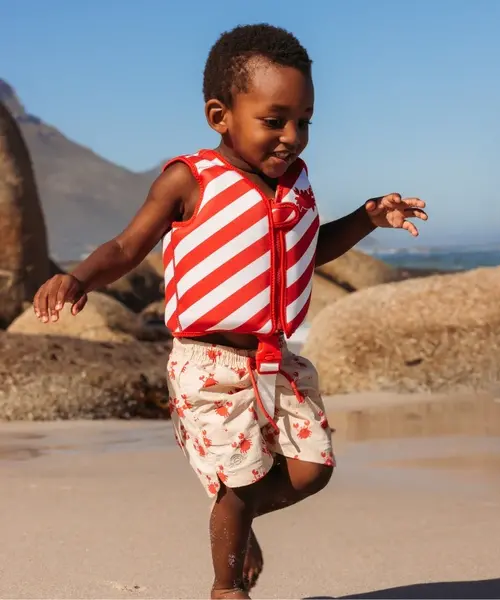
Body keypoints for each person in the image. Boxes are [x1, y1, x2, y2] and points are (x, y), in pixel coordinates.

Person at [33, 23, 428, 599]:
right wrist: (77, 278)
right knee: (240, 486)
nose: (292, 137)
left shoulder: (295, 185)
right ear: (220, 116)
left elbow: (309, 250)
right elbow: (126, 246)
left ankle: (234, 518)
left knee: (313, 470)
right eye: (274, 120)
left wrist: (366, 218)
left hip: (276, 359)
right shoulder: (190, 180)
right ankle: (227, 587)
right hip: (208, 364)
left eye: (304, 121)